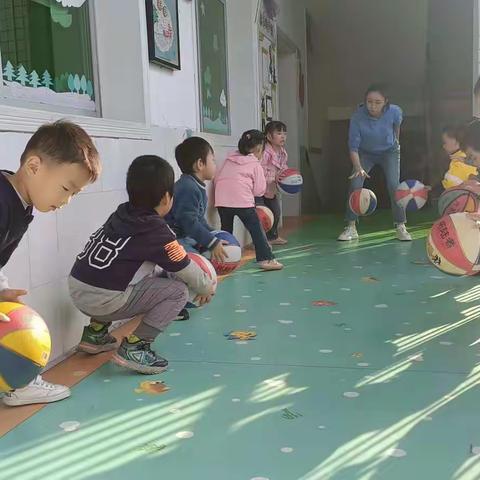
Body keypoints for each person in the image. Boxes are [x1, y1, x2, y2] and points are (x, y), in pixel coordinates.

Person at [69, 155, 215, 374]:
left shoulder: (120, 213)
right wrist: (206, 287)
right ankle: (136, 347)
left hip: (77, 287)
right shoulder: (157, 231)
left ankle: (95, 333)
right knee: (177, 292)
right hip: (104, 301)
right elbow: (184, 265)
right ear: (167, 197)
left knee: (126, 271)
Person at [1, 120, 101, 406]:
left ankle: (20, 383)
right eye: (66, 188)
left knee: (14, 317)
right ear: (34, 166)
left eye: (74, 194)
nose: (67, 200)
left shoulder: (21, 205)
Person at [338, 84, 411, 242]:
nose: (373, 105)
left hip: (389, 152)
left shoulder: (395, 111)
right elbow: (353, 147)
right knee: (355, 184)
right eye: (369, 101)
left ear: (386, 101)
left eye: (378, 102)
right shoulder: (357, 116)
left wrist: (396, 142)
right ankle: (351, 227)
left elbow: (396, 127)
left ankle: (400, 226)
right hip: (365, 153)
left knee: (394, 185)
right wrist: (358, 167)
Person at [215, 130, 283, 271]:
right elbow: (259, 190)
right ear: (259, 148)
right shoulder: (254, 164)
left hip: (221, 200)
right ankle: (266, 259)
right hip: (242, 202)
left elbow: (218, 179)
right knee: (256, 230)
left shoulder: (229, 159)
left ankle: (224, 260)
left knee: (226, 230)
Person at [257, 121, 289, 245]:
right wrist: (273, 177)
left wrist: (287, 174)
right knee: (261, 215)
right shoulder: (264, 152)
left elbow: (283, 167)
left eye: (285, 134)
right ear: (269, 137)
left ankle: (273, 236)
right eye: (279, 133)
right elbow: (260, 170)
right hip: (260, 190)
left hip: (271, 190)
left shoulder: (282, 152)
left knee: (276, 212)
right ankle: (260, 240)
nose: (283, 136)